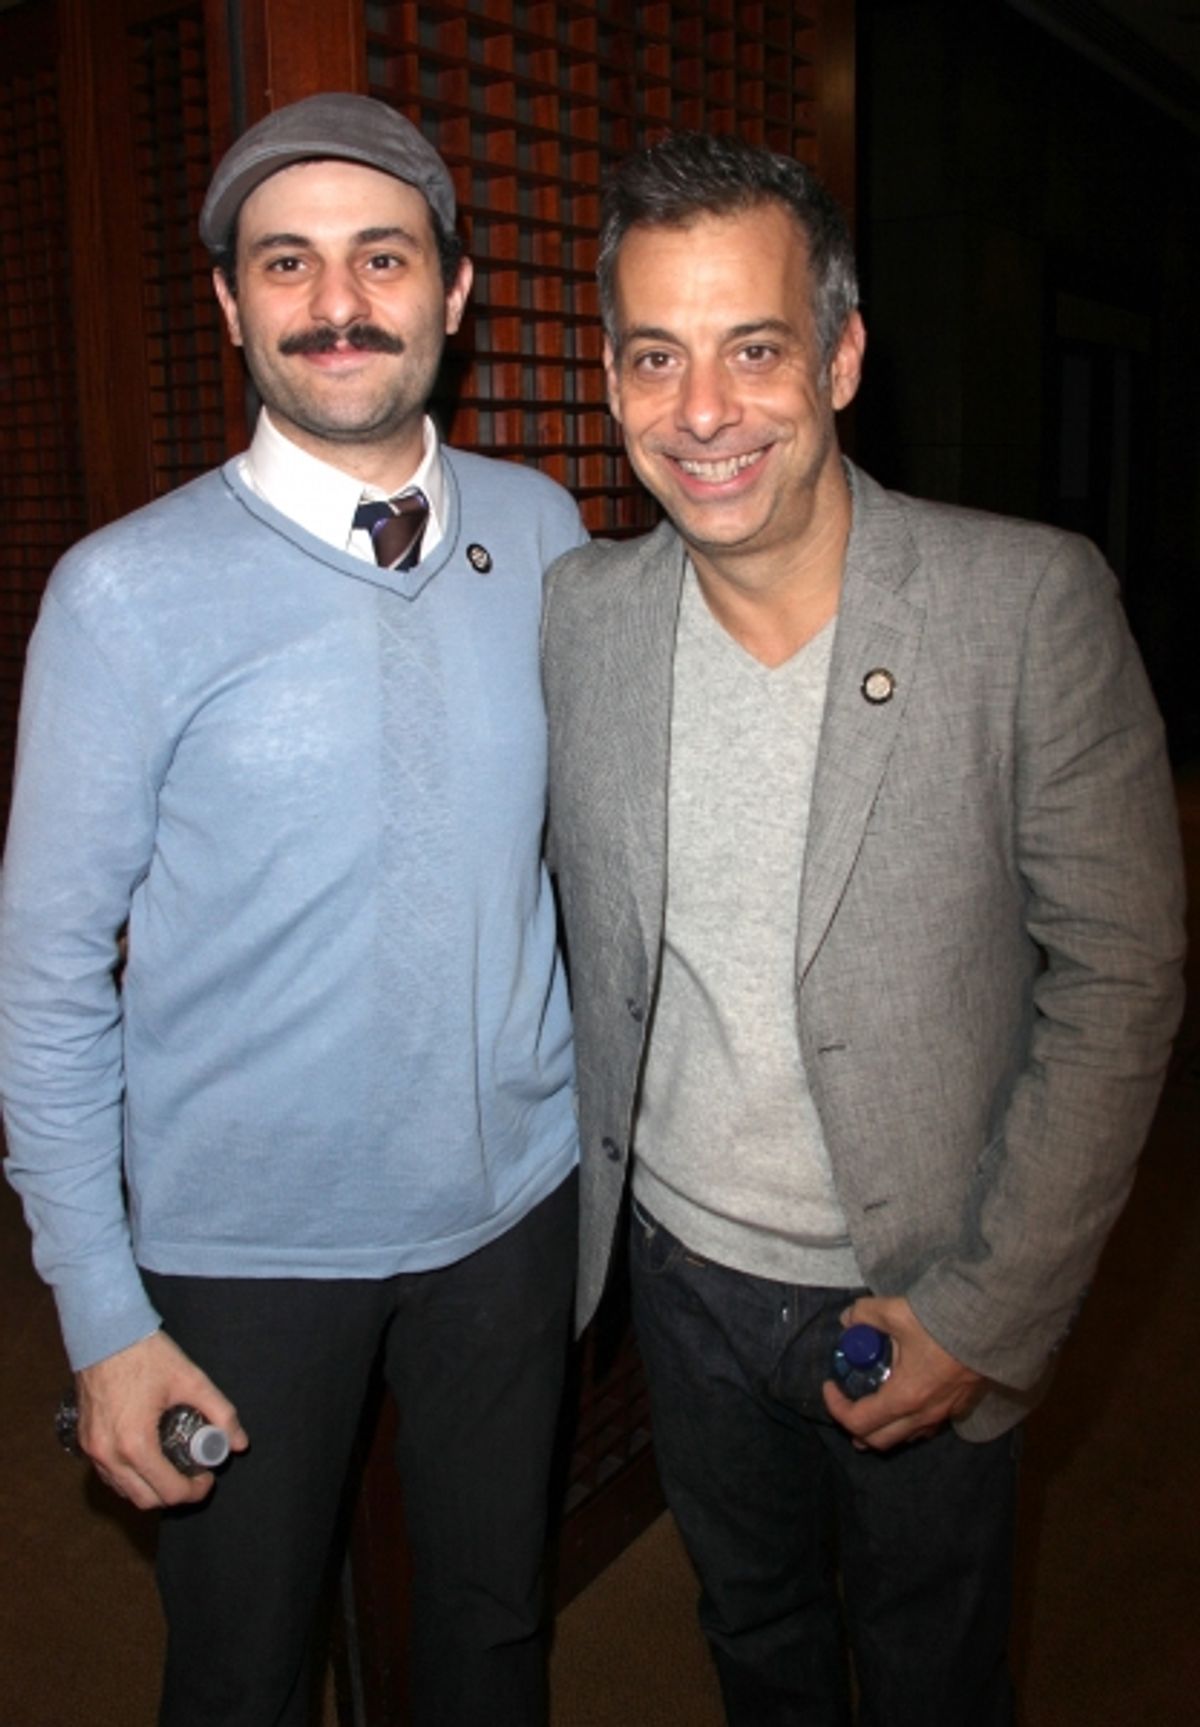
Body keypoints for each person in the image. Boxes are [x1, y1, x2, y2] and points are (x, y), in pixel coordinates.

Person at [540, 131, 1185, 1726]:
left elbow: (1121, 976)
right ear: (613, 379)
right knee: (750, 1632)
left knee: (930, 1672)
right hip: (679, 1278)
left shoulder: (1025, 607)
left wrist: (985, 1311)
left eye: (753, 349)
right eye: (655, 356)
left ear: (838, 355)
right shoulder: (579, 621)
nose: (702, 412)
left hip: (916, 1283)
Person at [0, 93, 586, 1727]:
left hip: (511, 1226)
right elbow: (46, 979)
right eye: (288, 263)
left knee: (492, 1640)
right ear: (232, 304)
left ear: (453, 292)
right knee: (240, 1675)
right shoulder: (121, 593)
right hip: (239, 1252)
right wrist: (102, 1313)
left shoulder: (546, 535)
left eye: (381, 256)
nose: (338, 302)